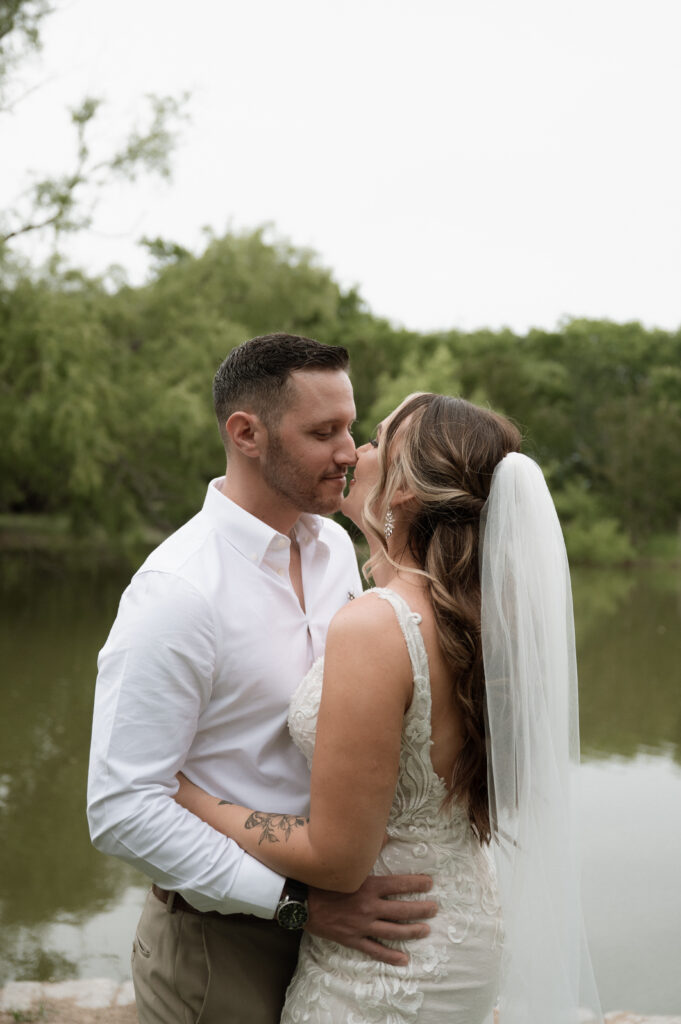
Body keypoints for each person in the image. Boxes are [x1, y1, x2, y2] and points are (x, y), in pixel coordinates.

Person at [175, 392, 604, 1024]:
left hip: (387, 952)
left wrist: (191, 797)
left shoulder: (378, 625)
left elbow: (337, 859)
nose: (353, 452)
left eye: (376, 440)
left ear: (404, 490)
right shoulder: (481, 617)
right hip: (455, 918)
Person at [86, 334, 438, 1024]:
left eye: (350, 426)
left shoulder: (336, 546)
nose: (349, 452)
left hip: (341, 933)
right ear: (246, 434)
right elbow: (121, 808)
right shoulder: (177, 592)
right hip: (220, 946)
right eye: (322, 431)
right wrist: (293, 901)